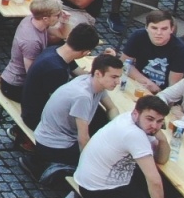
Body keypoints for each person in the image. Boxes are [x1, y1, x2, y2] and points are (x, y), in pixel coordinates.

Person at [33, 52, 121, 185]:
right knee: (107, 160)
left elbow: (112, 108)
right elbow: (83, 138)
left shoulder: (93, 82)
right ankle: (64, 170)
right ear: (98, 73)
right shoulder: (83, 96)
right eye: (114, 77)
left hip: (51, 135)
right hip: (53, 145)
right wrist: (90, 163)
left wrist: (116, 128)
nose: (118, 82)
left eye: (119, 77)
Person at [0, 0, 64, 102]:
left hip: (17, 81)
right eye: (57, 15)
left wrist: (65, 21)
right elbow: (32, 74)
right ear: (45, 19)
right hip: (16, 86)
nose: (59, 17)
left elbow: (62, 34)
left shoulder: (32, 19)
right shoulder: (31, 42)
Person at [122, 9, 184, 92]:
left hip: (162, 93)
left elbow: (173, 87)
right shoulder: (138, 36)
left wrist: (157, 91)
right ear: (146, 28)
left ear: (171, 29)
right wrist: (147, 83)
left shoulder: (180, 49)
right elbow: (124, 63)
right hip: (136, 84)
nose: (158, 33)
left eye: (164, 29)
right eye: (154, 28)